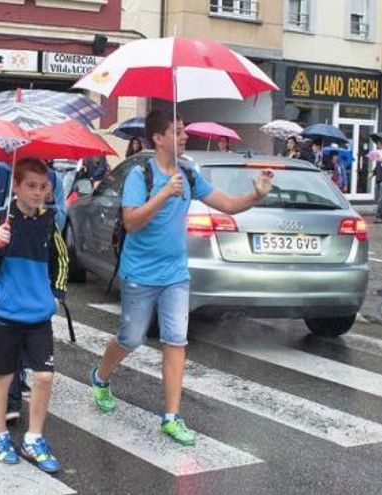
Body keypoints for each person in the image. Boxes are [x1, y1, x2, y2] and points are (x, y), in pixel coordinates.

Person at [88, 109, 272, 445]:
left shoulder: (188, 172)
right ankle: (101, 377)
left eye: (184, 129)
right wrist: (162, 194)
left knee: (176, 341)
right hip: (141, 274)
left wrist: (256, 194)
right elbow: (131, 222)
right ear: (158, 138)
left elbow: (228, 204)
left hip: (175, 275)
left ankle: (171, 417)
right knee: (131, 339)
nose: (184, 135)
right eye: (177, 130)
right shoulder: (140, 175)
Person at [0, 158, 68, 471]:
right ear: (16, 186)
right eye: (31, 186)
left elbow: (61, 259)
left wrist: (57, 294)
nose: (38, 192)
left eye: (43, 186)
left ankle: (33, 437)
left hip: (38, 314)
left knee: (44, 375)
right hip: (6, 313)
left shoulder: (49, 221)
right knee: (4, 376)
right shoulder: (0, 219)